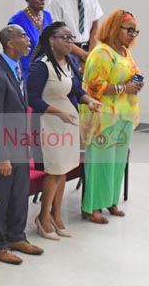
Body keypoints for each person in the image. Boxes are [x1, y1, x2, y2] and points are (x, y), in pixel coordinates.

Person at [28, 22, 101, 238]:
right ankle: (43, 217)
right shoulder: (41, 66)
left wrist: (90, 101)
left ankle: (56, 215)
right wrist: (58, 113)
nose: (71, 42)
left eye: (72, 38)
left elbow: (77, 90)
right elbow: (32, 98)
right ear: (52, 40)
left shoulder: (68, 61)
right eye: (65, 37)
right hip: (48, 123)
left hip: (67, 123)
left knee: (64, 169)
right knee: (54, 170)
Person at [0, 25, 43, 264]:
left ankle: (16, 236)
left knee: (19, 195)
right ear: (10, 43)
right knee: (2, 199)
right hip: (4, 150)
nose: (28, 40)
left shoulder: (16, 67)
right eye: (23, 36)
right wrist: (2, 156)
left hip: (19, 145)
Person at [81, 10, 143, 225]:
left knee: (117, 162)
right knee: (101, 162)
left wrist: (136, 84)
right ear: (115, 29)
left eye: (135, 31)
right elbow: (93, 86)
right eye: (129, 30)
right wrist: (124, 88)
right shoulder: (101, 53)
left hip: (124, 115)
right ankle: (92, 207)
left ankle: (110, 200)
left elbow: (129, 76)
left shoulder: (125, 51)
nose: (132, 35)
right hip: (104, 117)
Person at [8, 0, 54, 76]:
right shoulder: (17, 21)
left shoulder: (48, 16)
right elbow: (11, 50)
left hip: (48, 70)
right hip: (26, 72)